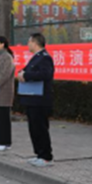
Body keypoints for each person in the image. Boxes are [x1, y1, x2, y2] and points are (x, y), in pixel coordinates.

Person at [18, 33, 55, 167]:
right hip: (32, 98)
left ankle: (46, 156)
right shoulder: (35, 58)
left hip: (40, 100)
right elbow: (27, 71)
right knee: (33, 128)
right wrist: (21, 73)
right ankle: (39, 154)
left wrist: (26, 75)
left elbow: (46, 74)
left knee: (40, 127)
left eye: (29, 42)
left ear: (35, 43)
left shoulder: (45, 58)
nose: (28, 45)